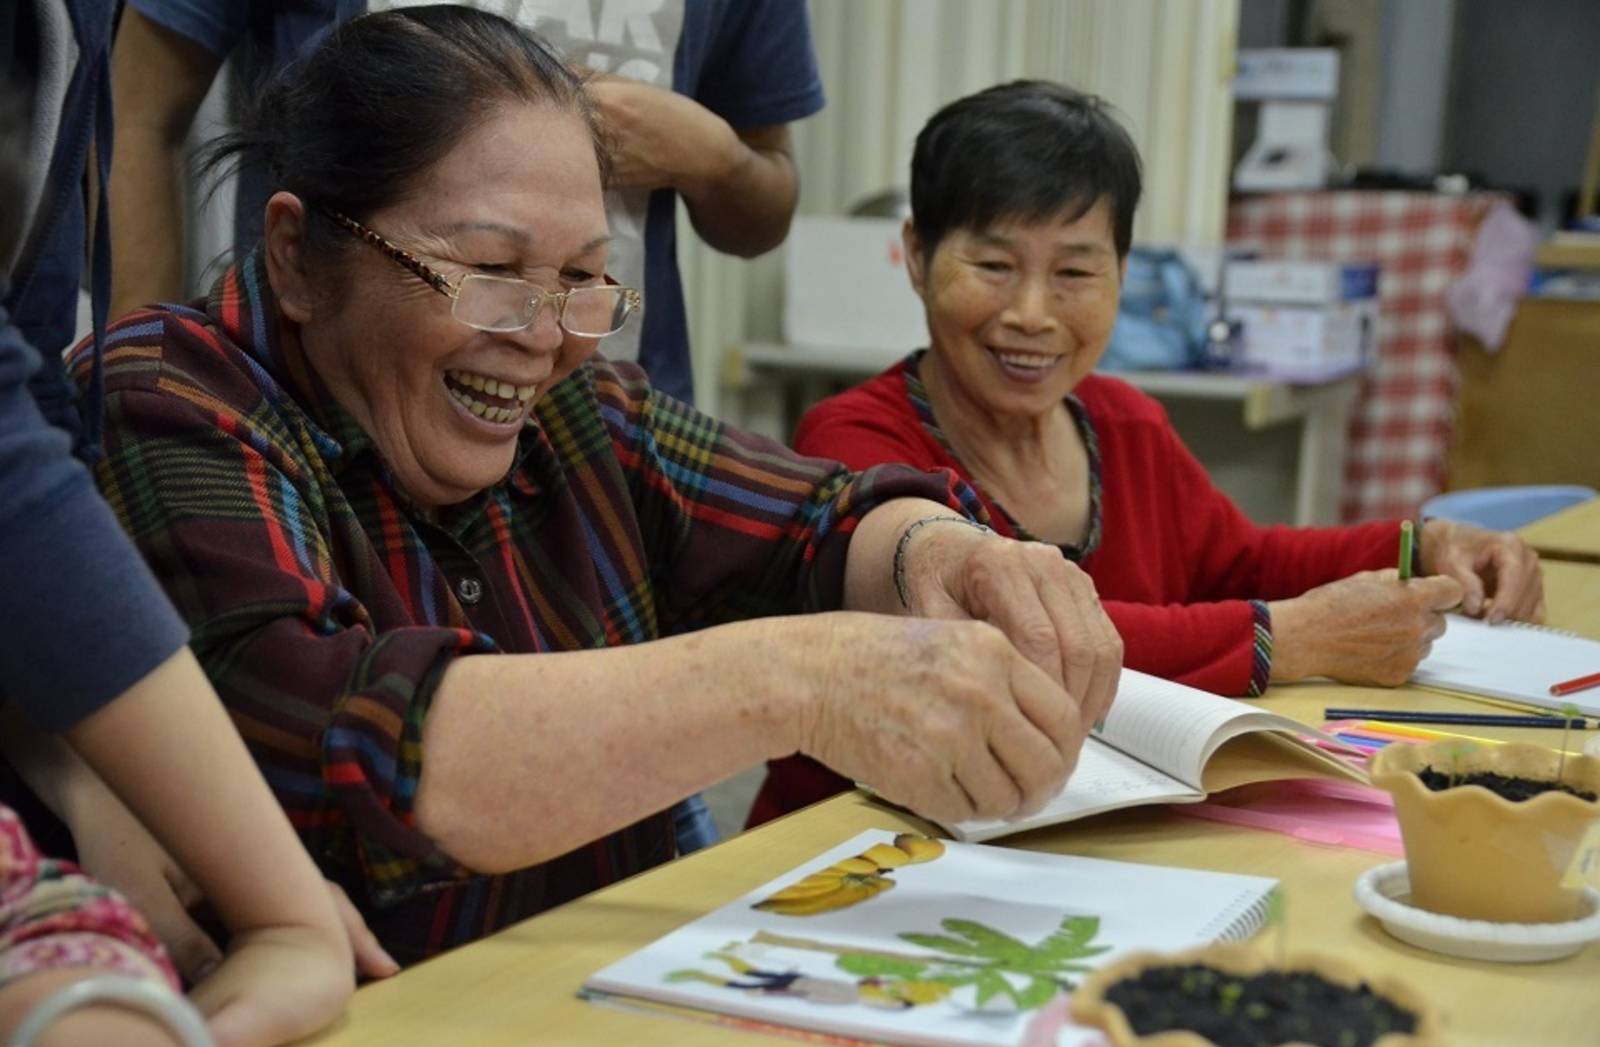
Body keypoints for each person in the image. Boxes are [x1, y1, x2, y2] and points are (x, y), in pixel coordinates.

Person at [81, 8, 1122, 968]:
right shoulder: (166, 398)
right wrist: (803, 680)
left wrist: (943, 550)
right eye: (491, 273)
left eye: (583, 279)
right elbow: (355, 740)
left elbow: (822, 519)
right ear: (297, 259)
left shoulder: (579, 408)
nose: (544, 337)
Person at [748, 80, 1545, 826]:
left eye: (1074, 271)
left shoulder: (1123, 422)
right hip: (860, 840)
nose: (1032, 314)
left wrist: (1421, 545)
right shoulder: (854, 442)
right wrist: (1289, 639)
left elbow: (1244, 561)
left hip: (1085, 834)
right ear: (917, 256)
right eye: (993, 266)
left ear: (1122, 273)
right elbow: (1013, 637)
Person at [0, 5, 391, 1047]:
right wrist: (282, 905)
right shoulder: (193, 423)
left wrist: (91, 779)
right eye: (486, 265)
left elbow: (30, 394)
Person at [108, 0, 822, 406]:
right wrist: (138, 385)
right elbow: (135, 114)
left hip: (600, 400)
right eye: (494, 262)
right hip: (324, 398)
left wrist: (714, 158)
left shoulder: (627, 431)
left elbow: (766, 206)